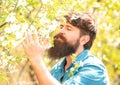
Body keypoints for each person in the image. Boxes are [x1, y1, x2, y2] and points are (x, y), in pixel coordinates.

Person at [22, 12, 110, 85]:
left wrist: (36, 59)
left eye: (68, 28)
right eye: (61, 27)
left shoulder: (94, 68)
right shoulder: (57, 69)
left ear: (83, 39)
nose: (61, 31)